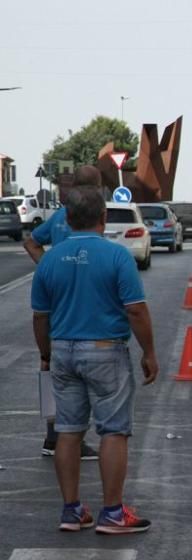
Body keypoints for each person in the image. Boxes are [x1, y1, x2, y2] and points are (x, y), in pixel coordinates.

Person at [30, 186, 158, 534]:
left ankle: (72, 510)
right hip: (105, 351)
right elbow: (136, 310)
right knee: (114, 431)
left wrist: (45, 353)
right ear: (103, 217)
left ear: (67, 219)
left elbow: (40, 316)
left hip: (63, 351)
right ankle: (113, 512)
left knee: (68, 431)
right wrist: (148, 352)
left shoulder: (50, 260)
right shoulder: (117, 257)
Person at [23, 165, 102, 461]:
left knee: (51, 366)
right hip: (82, 299)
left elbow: (31, 241)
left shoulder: (58, 216)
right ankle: (73, 439)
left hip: (56, 297)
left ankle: (52, 435)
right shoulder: (86, 216)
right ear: (95, 187)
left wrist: (46, 266)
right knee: (79, 369)